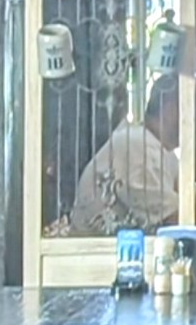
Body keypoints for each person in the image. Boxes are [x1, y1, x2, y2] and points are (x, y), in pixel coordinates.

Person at [63, 78, 180, 238]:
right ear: (172, 109)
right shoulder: (138, 146)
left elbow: (189, 197)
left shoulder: (158, 150)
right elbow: (177, 220)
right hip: (93, 253)